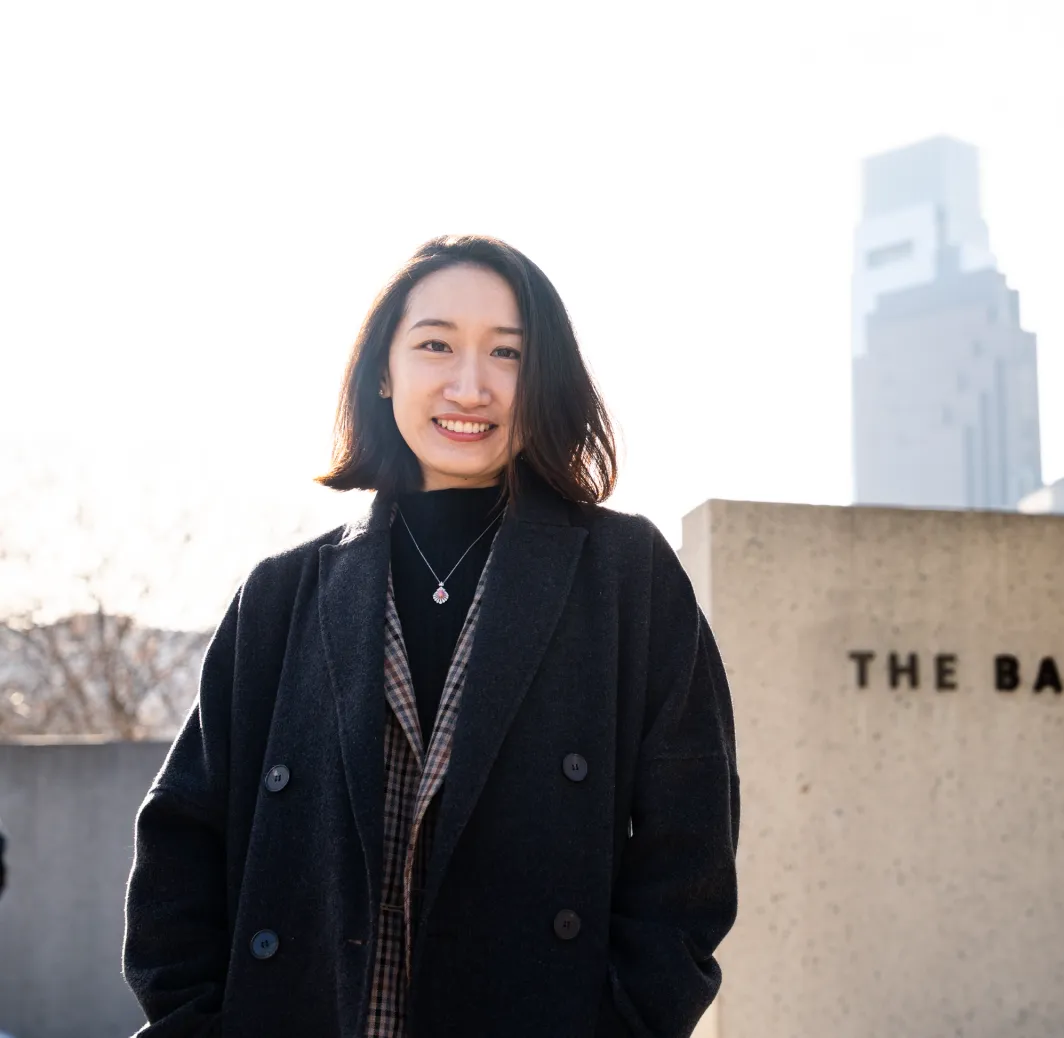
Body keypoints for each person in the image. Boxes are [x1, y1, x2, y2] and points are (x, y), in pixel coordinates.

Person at [122, 235, 739, 1037]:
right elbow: (179, 842)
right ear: (384, 371)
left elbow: (691, 848)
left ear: (543, 376)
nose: (470, 385)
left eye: (507, 353)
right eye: (436, 344)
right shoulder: (281, 594)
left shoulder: (627, 576)